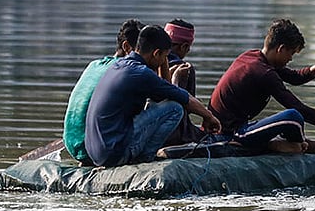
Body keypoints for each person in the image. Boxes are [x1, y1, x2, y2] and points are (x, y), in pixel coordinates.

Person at [207, 17, 315, 154]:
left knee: (293, 116)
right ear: (281, 49)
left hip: (236, 126)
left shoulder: (255, 57)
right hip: (229, 134)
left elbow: (296, 77)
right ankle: (296, 145)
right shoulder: (263, 73)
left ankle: (291, 143)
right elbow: (299, 108)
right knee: (293, 116)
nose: (290, 59)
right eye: (291, 53)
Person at [85, 25, 221, 167]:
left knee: (156, 104)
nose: (164, 61)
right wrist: (209, 117)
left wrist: (162, 61)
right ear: (156, 54)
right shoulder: (141, 73)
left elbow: (165, 90)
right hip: (114, 154)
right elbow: (183, 98)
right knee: (175, 108)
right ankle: (145, 158)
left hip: (96, 154)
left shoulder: (119, 65)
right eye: (164, 57)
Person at [62, 19, 143, 164]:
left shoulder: (94, 65)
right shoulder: (125, 71)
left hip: (73, 146)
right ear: (127, 47)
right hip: (94, 149)